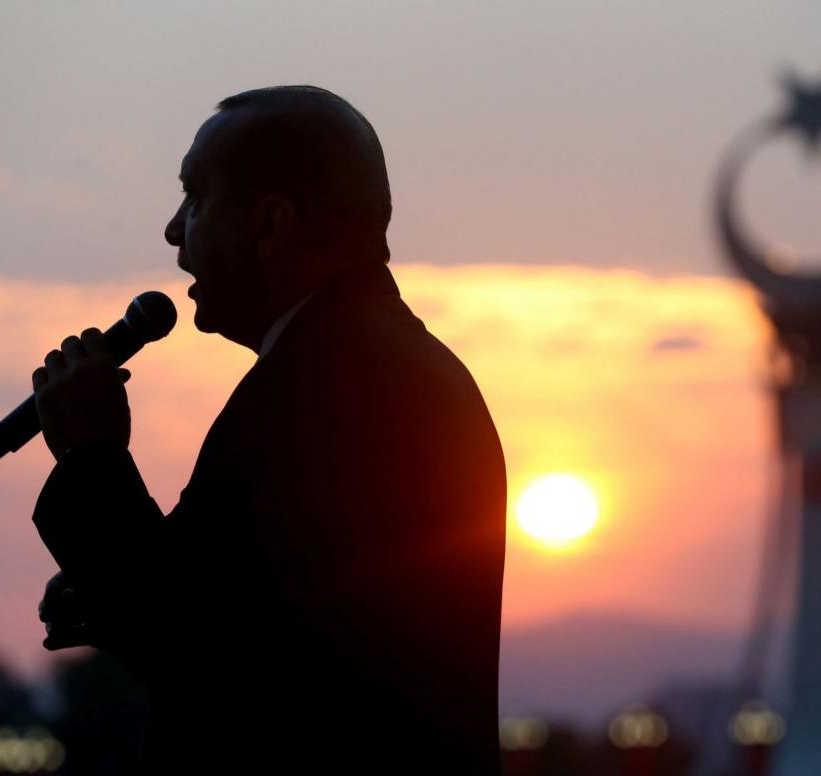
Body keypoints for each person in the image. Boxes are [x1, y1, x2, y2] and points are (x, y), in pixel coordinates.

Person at [30, 86, 507, 774]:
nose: (172, 231)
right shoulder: (369, 362)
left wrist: (91, 455)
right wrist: (107, 594)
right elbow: (256, 615)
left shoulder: (330, 382)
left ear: (269, 225)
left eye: (194, 199)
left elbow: (191, 636)